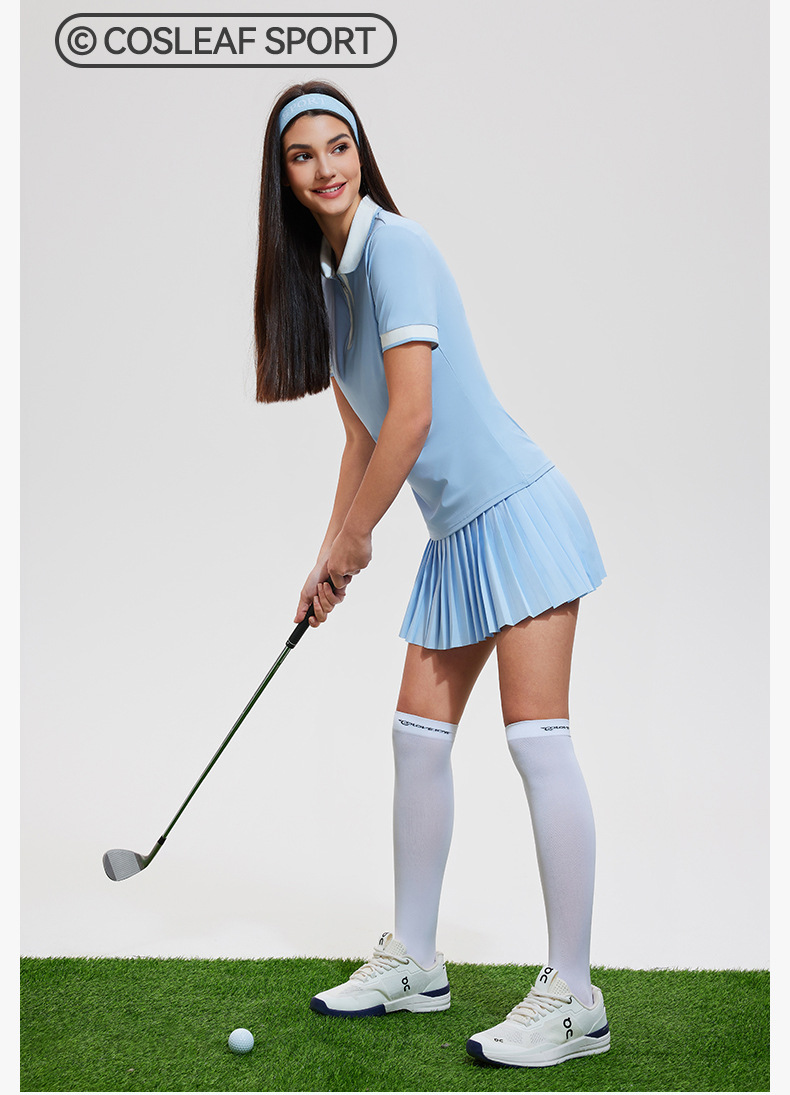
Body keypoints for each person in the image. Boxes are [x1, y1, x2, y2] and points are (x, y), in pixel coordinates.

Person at [253, 80, 610, 1070]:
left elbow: (411, 416)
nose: (326, 168)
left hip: (518, 514)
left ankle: (576, 997)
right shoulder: (326, 284)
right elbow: (362, 435)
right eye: (302, 155)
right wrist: (329, 551)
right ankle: (414, 959)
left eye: (339, 146)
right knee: (417, 740)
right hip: (457, 538)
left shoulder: (397, 249)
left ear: (361, 153)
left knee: (536, 742)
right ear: (282, 179)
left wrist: (362, 540)